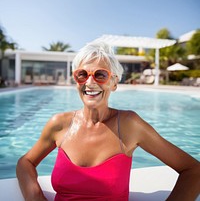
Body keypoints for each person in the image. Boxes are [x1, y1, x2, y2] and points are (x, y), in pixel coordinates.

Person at [16, 41, 200, 201]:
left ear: (114, 83)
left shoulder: (129, 125)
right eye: (82, 74)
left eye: (100, 75)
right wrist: (35, 197)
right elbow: (25, 163)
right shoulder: (60, 124)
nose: (90, 82)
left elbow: (193, 170)